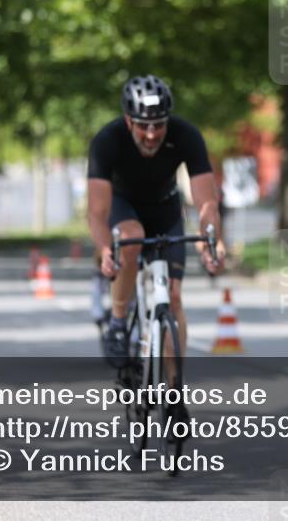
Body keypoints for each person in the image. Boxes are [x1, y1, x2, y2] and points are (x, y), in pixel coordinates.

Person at [87, 75, 225, 367]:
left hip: (165, 210)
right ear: (128, 121)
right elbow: (97, 211)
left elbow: (206, 202)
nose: (152, 134)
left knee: (173, 297)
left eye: (159, 125)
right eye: (143, 126)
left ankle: (173, 396)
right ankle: (119, 321)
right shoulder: (107, 140)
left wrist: (211, 239)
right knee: (131, 236)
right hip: (122, 206)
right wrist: (104, 249)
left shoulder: (186, 135)